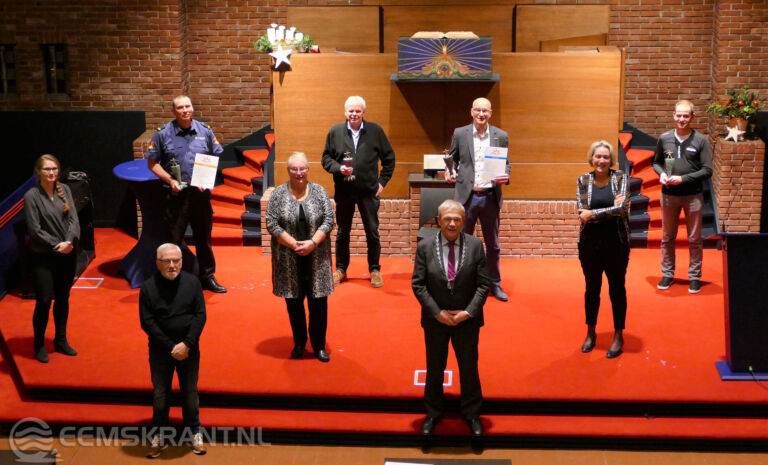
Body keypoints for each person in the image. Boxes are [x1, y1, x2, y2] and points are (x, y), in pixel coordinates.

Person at [412, 199, 491, 437]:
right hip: (436, 320)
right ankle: (433, 413)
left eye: (457, 219)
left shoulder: (476, 245)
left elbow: (484, 284)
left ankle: (472, 413)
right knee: (435, 367)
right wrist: (437, 313)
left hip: (466, 319)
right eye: (448, 219)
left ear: (463, 221)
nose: (453, 224)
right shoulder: (425, 246)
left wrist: (468, 312)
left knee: (469, 368)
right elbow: (418, 284)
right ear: (438, 221)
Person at [145, 95, 227, 293]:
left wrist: (206, 180)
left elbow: (214, 157)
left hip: (200, 196)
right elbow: (152, 163)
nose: (185, 110)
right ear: (173, 111)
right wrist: (170, 180)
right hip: (175, 197)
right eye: (180, 107)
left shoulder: (205, 131)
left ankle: (207, 276)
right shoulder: (162, 134)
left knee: (204, 239)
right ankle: (172, 279)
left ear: (193, 108)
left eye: (187, 106)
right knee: (173, 241)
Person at [139, 243, 207, 458]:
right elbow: (147, 322)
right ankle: (158, 434)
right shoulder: (148, 287)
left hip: (189, 349)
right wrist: (171, 347)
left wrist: (187, 343)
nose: (171, 265)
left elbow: (200, 315)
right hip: (161, 351)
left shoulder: (193, 282)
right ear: (157, 263)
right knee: (160, 395)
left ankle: (194, 432)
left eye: (176, 261)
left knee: (190, 393)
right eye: (166, 261)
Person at [321, 95, 396, 288]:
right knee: (342, 232)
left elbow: (389, 159)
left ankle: (374, 270)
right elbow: (326, 159)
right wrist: (338, 168)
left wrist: (382, 182)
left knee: (372, 232)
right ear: (345, 112)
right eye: (351, 111)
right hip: (344, 192)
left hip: (368, 193)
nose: (354, 114)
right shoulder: (335, 132)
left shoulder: (375, 131)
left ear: (364, 113)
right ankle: (340, 269)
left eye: (358, 111)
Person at [266, 152, 335, 362]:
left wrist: (313, 242)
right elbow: (271, 223)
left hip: (317, 258)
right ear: (288, 171)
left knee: (318, 305)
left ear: (308, 169)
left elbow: (329, 220)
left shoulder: (320, 191)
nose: (299, 173)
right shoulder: (277, 194)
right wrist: (294, 243)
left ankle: (319, 345)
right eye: (294, 169)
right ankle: (298, 343)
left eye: (302, 168)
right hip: (288, 258)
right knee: (293, 305)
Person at [445, 97, 510, 302]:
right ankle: (463, 283)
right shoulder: (460, 133)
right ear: (471, 112)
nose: (481, 114)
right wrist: (448, 171)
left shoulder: (500, 135)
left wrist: (506, 175)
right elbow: (452, 159)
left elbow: (506, 164)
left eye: (485, 111)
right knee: (462, 243)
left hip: (490, 197)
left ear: (490, 113)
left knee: (493, 245)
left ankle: (494, 284)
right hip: (467, 197)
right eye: (478, 110)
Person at [24, 154, 80, 364]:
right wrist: (56, 245)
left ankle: (60, 340)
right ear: (38, 172)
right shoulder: (31, 196)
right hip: (43, 256)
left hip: (67, 253)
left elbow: (74, 219)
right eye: (47, 169)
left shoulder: (64, 189)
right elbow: (34, 230)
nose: (52, 173)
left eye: (55, 168)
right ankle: (38, 344)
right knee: (45, 299)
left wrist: (69, 241)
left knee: (63, 298)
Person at [652, 100, 713, 294]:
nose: (682, 119)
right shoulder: (664, 138)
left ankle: (694, 276)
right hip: (669, 196)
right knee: (667, 237)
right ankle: (667, 274)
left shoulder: (701, 140)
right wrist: (661, 173)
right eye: (679, 115)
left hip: (693, 197)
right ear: (673, 115)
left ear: (692, 117)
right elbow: (657, 162)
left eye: (686, 115)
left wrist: (683, 178)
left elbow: (708, 170)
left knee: (694, 238)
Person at [576, 141, 631, 359]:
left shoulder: (621, 178)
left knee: (617, 288)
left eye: (606, 157)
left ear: (611, 160)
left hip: (617, 242)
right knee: (592, 289)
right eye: (598, 156)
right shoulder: (583, 180)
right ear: (592, 158)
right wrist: (607, 210)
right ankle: (591, 331)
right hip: (590, 243)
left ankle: (618, 334)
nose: (601, 161)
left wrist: (594, 214)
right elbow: (581, 211)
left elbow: (621, 209)